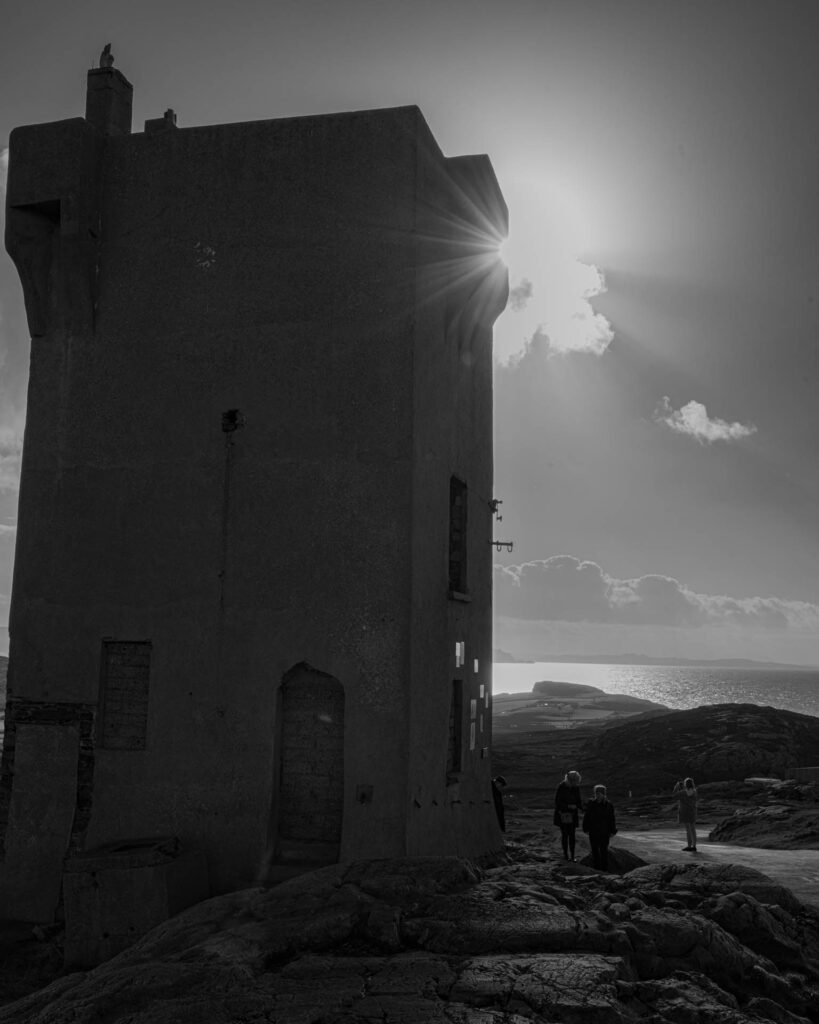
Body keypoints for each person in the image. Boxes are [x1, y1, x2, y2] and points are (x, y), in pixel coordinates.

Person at [582, 784, 617, 870]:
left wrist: (613, 831)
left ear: (604, 794)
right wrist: (585, 828)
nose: (597, 795)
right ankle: (596, 868)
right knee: (595, 851)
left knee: (603, 850)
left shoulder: (609, 805)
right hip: (593, 831)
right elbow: (586, 817)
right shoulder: (591, 804)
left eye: (600, 793)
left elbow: (612, 818)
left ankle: (604, 869)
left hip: (605, 831)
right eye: (596, 793)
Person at [553, 770, 583, 861]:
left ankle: (573, 856)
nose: (576, 783)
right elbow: (557, 802)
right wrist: (568, 806)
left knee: (572, 836)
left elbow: (578, 801)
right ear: (570, 780)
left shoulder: (576, 787)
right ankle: (566, 856)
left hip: (573, 815)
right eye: (575, 781)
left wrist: (583, 808)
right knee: (565, 835)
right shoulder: (561, 787)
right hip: (563, 815)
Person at [673, 777, 698, 851]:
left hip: (685, 812)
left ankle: (689, 846)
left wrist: (676, 786)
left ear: (685, 784)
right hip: (692, 811)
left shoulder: (683, 793)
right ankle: (694, 846)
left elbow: (674, 795)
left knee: (688, 829)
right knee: (693, 829)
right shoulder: (694, 791)